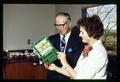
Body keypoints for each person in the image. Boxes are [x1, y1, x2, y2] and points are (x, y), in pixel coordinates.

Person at [45, 15, 108, 79]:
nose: (79, 34)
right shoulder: (87, 48)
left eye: (82, 32)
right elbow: (74, 73)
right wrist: (55, 68)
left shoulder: (99, 52)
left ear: (92, 34)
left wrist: (65, 62)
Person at [47, 12, 84, 79]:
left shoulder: (79, 41)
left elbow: (77, 64)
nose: (59, 28)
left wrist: (64, 59)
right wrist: (46, 62)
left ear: (69, 24)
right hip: (52, 77)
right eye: (56, 25)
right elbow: (48, 59)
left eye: (61, 25)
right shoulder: (51, 39)